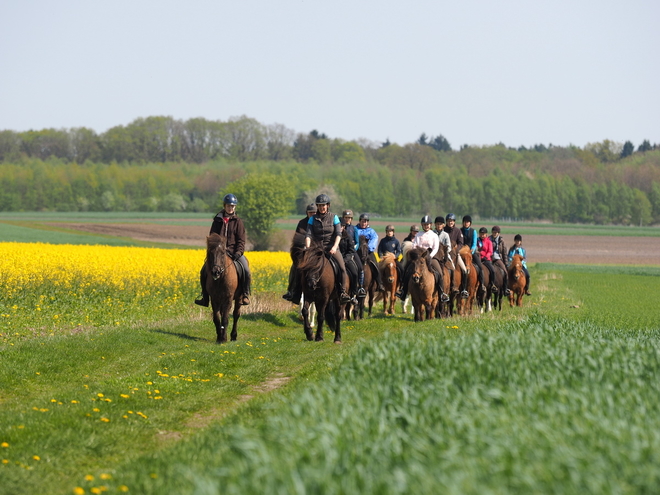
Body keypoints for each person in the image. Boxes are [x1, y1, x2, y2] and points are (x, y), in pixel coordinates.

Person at [195, 193, 251, 307]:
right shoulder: (217, 220)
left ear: (235, 207)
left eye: (232, 206)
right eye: (228, 206)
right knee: (203, 271)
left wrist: (238, 253)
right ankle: (205, 297)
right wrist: (214, 251)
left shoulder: (238, 222)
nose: (230, 208)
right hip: (218, 254)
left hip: (234, 253)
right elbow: (212, 238)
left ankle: (245, 294)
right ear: (224, 206)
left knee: (246, 270)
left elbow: (241, 240)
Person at [305, 194, 352, 304]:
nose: (322, 207)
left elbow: (338, 234)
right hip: (316, 249)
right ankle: (298, 292)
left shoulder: (334, 217)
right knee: (303, 267)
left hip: (331, 248)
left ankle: (342, 292)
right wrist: (308, 249)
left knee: (342, 268)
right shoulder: (312, 219)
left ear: (328, 206)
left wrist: (335, 247)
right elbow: (308, 235)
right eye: (320, 205)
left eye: (324, 205)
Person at [397, 216, 448, 303]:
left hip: (431, 257)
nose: (426, 226)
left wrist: (430, 256)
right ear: (422, 225)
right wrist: (417, 257)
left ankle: (441, 293)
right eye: (424, 224)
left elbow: (435, 248)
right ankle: (403, 291)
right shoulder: (418, 235)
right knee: (407, 270)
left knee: (439, 272)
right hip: (418, 258)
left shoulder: (434, 235)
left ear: (431, 225)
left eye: (427, 224)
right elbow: (414, 246)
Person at [282, 203, 317, 303]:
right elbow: (297, 238)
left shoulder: (319, 222)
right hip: (304, 251)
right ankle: (292, 291)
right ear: (307, 213)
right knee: (295, 268)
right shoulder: (302, 223)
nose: (312, 214)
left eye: (314, 212)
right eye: (310, 213)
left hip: (316, 252)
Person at [354, 213, 385, 292]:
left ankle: (379, 283)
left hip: (368, 252)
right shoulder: (355, 229)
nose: (363, 223)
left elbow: (374, 240)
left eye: (365, 222)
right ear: (359, 221)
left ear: (367, 222)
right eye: (362, 221)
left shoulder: (371, 231)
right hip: (357, 252)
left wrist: (368, 249)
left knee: (375, 264)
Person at [338, 221, 366, 300]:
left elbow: (351, 251)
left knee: (354, 273)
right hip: (336, 259)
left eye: (341, 226)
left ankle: (354, 294)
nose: (340, 228)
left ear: (344, 227)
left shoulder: (348, 237)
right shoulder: (333, 236)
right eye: (338, 226)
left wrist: (345, 259)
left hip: (346, 258)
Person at [444, 213, 468, 298]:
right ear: (446, 221)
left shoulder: (458, 231)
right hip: (444, 254)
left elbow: (461, 243)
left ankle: (464, 290)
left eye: (452, 221)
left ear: (454, 222)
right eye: (449, 221)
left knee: (464, 270)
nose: (450, 222)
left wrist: (455, 251)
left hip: (455, 254)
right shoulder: (443, 230)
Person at [461, 215, 485, 292]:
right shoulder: (460, 231)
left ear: (470, 223)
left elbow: (474, 243)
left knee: (480, 266)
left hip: (471, 252)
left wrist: (471, 251)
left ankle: (481, 284)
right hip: (462, 252)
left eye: (468, 222)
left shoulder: (473, 231)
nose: (466, 223)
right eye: (465, 222)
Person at [489, 226, 511, 295]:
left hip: (498, 258)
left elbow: (504, 252)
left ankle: (505, 289)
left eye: (496, 232)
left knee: (505, 272)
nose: (494, 234)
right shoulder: (488, 239)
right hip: (489, 258)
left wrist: (506, 263)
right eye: (493, 232)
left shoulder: (501, 241)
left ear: (498, 233)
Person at [477, 227, 496, 292]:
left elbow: (490, 251)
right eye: (481, 234)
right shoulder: (477, 241)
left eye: (483, 234)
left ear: (486, 234)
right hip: (478, 258)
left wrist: (486, 256)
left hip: (486, 259)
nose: (482, 235)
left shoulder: (489, 242)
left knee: (492, 270)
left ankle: (492, 284)